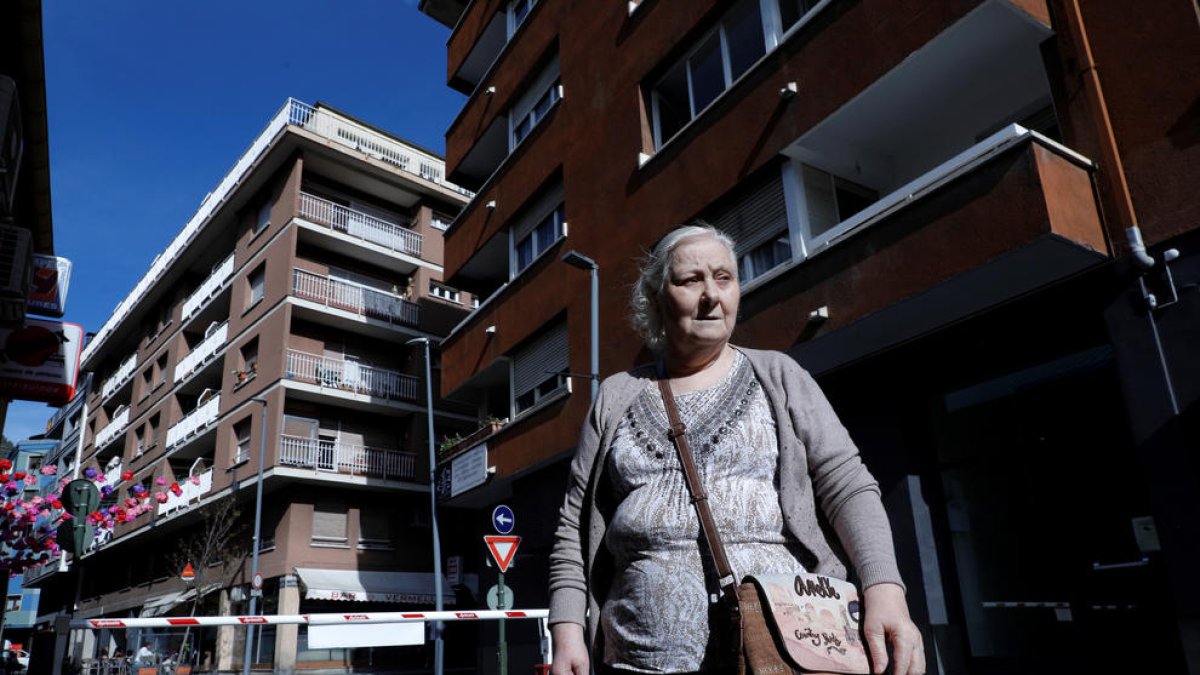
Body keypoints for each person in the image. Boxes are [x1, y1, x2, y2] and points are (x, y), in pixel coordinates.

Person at [548, 224, 925, 675]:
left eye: (724, 278)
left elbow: (848, 487)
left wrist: (885, 589)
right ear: (656, 297)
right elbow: (574, 526)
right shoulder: (616, 396)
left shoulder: (780, 375)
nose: (712, 295)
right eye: (691, 280)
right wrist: (567, 628)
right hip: (640, 660)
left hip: (783, 653)